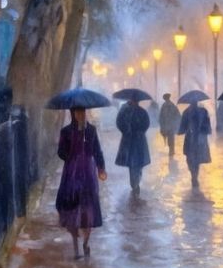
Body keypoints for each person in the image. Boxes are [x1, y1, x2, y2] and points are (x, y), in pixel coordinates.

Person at [54, 107, 105, 259]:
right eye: (77, 112)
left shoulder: (91, 131)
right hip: (71, 174)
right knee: (71, 209)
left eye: (82, 112)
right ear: (72, 114)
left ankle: (85, 243)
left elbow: (97, 151)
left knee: (88, 211)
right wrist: (69, 152)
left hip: (88, 174)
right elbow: (61, 152)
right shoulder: (66, 131)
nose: (80, 115)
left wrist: (101, 168)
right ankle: (76, 245)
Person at [114, 97, 151, 198]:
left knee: (138, 163)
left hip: (137, 140)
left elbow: (146, 124)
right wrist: (127, 130)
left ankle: (136, 182)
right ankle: (135, 184)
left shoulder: (141, 112)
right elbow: (119, 123)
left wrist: (139, 131)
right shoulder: (125, 112)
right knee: (133, 163)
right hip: (132, 141)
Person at [179, 97, 212, 188]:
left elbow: (182, 126)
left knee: (190, 158)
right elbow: (207, 124)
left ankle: (193, 175)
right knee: (196, 158)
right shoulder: (203, 111)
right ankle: (194, 176)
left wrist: (181, 131)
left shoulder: (186, 112)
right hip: (199, 139)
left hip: (190, 138)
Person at [158, 93, 181, 157]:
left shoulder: (164, 106)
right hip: (170, 125)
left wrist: (161, 124)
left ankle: (171, 150)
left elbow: (161, 117)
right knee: (171, 138)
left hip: (167, 125)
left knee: (170, 138)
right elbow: (178, 115)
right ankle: (171, 150)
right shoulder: (172, 105)